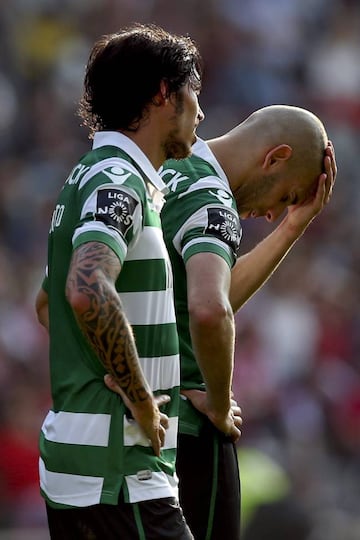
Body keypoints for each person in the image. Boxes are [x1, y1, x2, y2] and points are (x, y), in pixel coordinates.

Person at [34, 23, 205, 540]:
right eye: (194, 92)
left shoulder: (87, 177)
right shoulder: (118, 180)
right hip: (118, 472)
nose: (200, 112)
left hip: (85, 466)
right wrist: (139, 397)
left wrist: (97, 364)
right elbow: (86, 289)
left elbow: (48, 305)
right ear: (162, 94)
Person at [158, 104, 336, 539]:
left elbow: (209, 295)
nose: (274, 213)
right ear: (275, 158)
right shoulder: (213, 201)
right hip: (188, 427)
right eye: (288, 197)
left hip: (130, 420)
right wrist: (219, 403)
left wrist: (292, 229)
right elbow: (210, 309)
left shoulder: (157, 168)